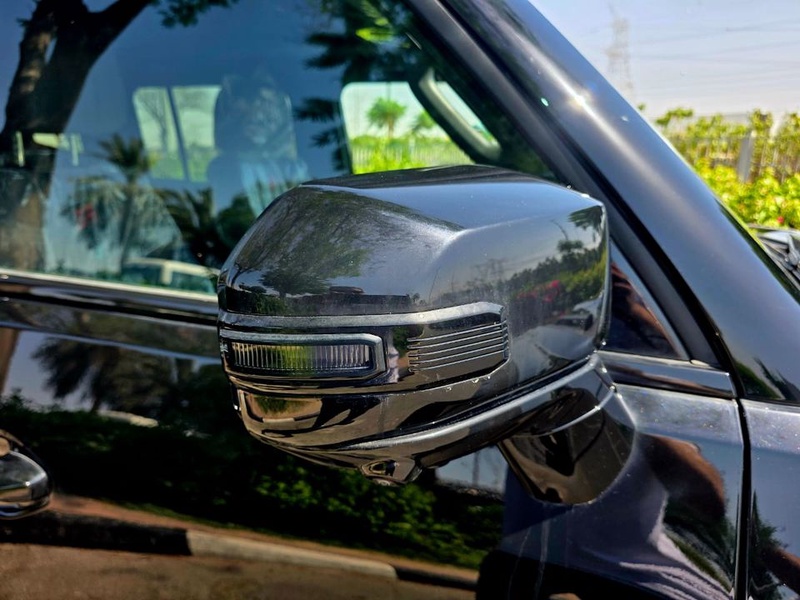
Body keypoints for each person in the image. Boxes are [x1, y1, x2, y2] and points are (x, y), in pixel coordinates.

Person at [208, 69, 309, 219]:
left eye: (267, 112)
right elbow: (226, 220)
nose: (257, 117)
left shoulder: (292, 168)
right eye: (244, 116)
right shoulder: (224, 169)